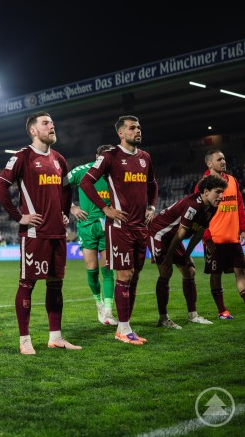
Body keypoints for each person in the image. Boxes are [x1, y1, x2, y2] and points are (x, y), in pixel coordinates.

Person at [0, 112, 80, 355]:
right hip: (34, 234)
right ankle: (24, 339)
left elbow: (66, 190)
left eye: (53, 122)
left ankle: (55, 337)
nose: (52, 126)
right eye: (46, 123)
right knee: (28, 283)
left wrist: (65, 212)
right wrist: (18, 216)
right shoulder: (22, 157)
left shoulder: (59, 159)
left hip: (57, 233)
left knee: (56, 284)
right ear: (33, 131)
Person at [79, 115, 157, 345]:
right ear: (121, 133)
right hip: (119, 226)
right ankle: (123, 329)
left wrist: (151, 206)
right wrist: (105, 209)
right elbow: (86, 182)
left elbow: (153, 184)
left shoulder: (145, 158)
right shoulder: (110, 156)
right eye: (132, 128)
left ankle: (126, 325)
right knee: (124, 275)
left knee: (134, 277)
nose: (138, 130)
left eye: (139, 127)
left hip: (140, 227)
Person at [148, 175, 225, 329]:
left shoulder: (213, 206)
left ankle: (193, 316)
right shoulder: (193, 205)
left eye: (222, 193)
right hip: (159, 234)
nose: (221, 197)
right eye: (217, 192)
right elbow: (181, 233)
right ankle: (163, 319)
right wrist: (168, 258)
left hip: (174, 237)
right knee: (166, 271)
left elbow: (199, 231)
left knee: (189, 272)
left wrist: (187, 254)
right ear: (206, 191)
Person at [65, 144, 118, 326]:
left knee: (108, 270)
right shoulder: (82, 171)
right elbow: (59, 185)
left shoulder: (116, 174)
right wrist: (71, 207)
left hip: (109, 226)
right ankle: (99, 304)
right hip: (87, 226)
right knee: (92, 270)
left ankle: (109, 311)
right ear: (97, 157)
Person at [197, 150, 245, 318]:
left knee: (241, 272)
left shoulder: (232, 181)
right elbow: (199, 214)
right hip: (214, 241)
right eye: (219, 159)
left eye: (224, 158)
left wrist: (243, 228)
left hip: (233, 238)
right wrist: (207, 238)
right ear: (209, 163)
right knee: (215, 275)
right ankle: (222, 311)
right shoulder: (203, 184)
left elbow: (239, 205)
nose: (224, 161)